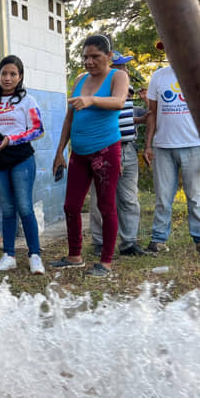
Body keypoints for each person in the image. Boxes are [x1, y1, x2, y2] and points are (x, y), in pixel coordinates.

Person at [50, 35, 129, 277]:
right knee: (71, 205)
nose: (89, 61)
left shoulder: (118, 76)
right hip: (79, 153)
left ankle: (105, 262)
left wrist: (92, 99)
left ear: (109, 56)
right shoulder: (80, 80)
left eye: (95, 56)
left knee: (106, 206)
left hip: (105, 150)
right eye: (85, 57)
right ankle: (75, 256)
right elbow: (69, 118)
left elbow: (119, 101)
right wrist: (60, 152)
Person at [0, 55, 46, 274]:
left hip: (21, 159)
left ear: (20, 77)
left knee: (24, 207)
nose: (7, 78)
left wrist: (11, 140)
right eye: (4, 73)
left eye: (13, 74)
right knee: (7, 209)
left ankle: (34, 255)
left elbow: (38, 130)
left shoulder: (28, 101)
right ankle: (9, 255)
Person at [143, 48, 200, 254]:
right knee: (163, 196)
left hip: (195, 145)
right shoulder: (158, 76)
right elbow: (152, 114)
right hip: (163, 147)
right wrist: (148, 144)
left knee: (196, 195)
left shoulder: (197, 73)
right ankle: (158, 239)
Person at [89, 51, 146, 257]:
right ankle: (99, 241)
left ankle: (129, 242)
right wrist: (113, 153)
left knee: (129, 198)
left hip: (128, 149)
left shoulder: (126, 89)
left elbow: (126, 118)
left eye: (125, 67)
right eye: (120, 66)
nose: (124, 71)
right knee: (101, 198)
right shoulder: (99, 89)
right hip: (106, 148)